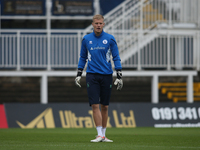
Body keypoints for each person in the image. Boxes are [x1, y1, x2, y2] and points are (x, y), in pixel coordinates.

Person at [75, 14, 123, 142]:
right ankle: (99, 134)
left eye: (100, 23)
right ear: (92, 24)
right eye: (96, 23)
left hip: (107, 75)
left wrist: (119, 73)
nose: (98, 25)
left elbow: (116, 57)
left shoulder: (110, 39)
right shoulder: (86, 39)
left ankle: (104, 134)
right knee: (94, 105)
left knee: (105, 106)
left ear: (104, 24)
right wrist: (79, 73)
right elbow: (83, 57)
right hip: (92, 75)